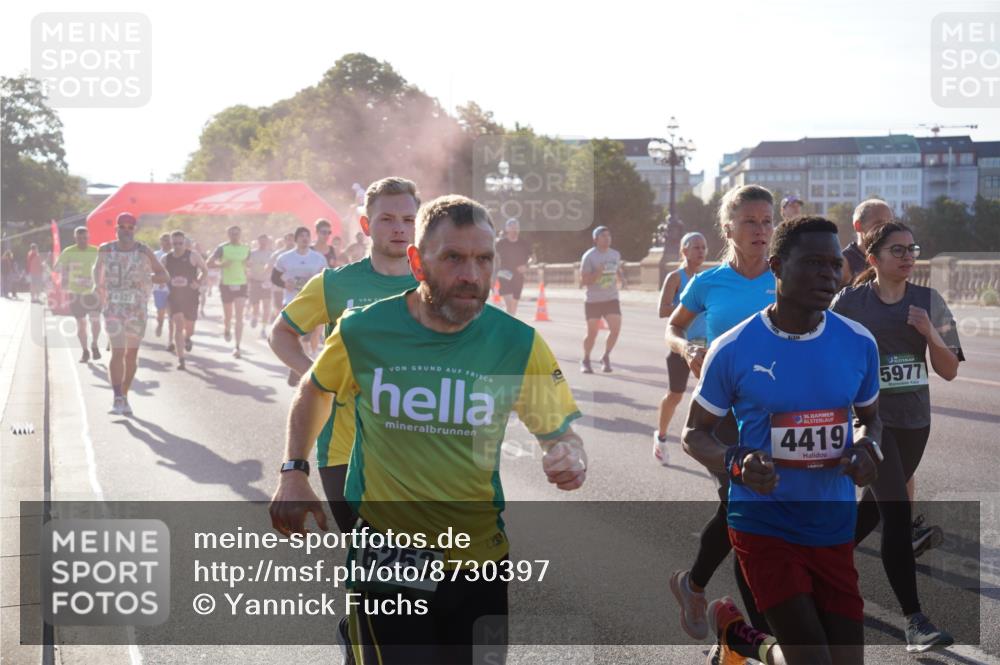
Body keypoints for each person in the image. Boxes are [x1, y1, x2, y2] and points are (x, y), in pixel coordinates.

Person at [269, 194, 586, 664]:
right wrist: (294, 469)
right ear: (417, 261)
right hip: (390, 556)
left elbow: (561, 433)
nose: (472, 276)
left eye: (483, 259)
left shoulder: (516, 343)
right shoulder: (364, 331)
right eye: (454, 258)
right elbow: (315, 390)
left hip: (480, 559)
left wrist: (570, 455)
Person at [686, 216, 883, 665]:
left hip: (833, 527)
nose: (828, 275)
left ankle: (740, 638)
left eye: (835, 265)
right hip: (764, 524)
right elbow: (694, 433)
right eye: (813, 262)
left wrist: (869, 447)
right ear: (776, 265)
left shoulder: (858, 343)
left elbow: (872, 419)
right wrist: (736, 463)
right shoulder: (734, 347)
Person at [832, 221, 961, 653]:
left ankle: (821, 566)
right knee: (897, 512)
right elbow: (825, 351)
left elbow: (949, 369)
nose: (908, 257)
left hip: (915, 423)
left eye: (912, 249)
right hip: (872, 424)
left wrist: (929, 333)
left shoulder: (928, 301)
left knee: (871, 512)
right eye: (897, 250)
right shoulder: (850, 303)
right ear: (873, 258)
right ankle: (915, 621)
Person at [269, 176, 419, 534]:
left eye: (408, 220)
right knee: (378, 568)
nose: (399, 228)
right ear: (366, 225)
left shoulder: (435, 284)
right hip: (345, 451)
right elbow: (281, 334)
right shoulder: (334, 283)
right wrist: (315, 378)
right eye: (387, 219)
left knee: (425, 573)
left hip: (421, 449)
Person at [665, 184, 777, 638]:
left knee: (753, 506)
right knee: (740, 501)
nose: (761, 230)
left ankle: (693, 584)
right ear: (728, 227)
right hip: (719, 410)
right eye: (750, 221)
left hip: (774, 409)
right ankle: (757, 633)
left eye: (768, 221)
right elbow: (673, 326)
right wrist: (686, 346)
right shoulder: (708, 282)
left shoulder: (785, 276)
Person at [92, 212, 168, 416]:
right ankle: (117, 397)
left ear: (134, 230)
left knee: (131, 354)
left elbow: (164, 275)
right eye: (122, 227)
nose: (126, 231)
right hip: (114, 308)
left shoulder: (143, 250)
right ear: (116, 229)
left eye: (130, 227)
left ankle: (124, 395)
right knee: (117, 351)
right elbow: (97, 275)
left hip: (136, 309)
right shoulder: (105, 249)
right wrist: (98, 293)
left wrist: (146, 276)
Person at [653, 231, 708, 465]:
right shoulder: (676, 278)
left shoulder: (707, 279)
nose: (701, 251)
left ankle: (709, 441)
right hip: (681, 346)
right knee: (675, 396)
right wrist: (688, 305)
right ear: (684, 251)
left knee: (713, 394)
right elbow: (662, 310)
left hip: (706, 346)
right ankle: (661, 436)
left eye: (703, 247)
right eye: (695, 247)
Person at [270, 226, 326, 383]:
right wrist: (284, 284)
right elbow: (274, 277)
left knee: (305, 337)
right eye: (301, 236)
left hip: (311, 302)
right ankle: (299, 369)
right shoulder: (285, 258)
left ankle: (298, 369)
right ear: (295, 239)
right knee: (295, 335)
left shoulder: (318, 258)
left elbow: (326, 278)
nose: (305, 238)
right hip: (291, 301)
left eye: (307, 236)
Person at [580, 225, 627, 373]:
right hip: (593, 300)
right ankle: (586, 359)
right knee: (592, 333)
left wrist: (622, 278)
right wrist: (597, 273)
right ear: (596, 239)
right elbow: (584, 281)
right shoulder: (589, 256)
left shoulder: (615, 254)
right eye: (603, 236)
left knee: (615, 329)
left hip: (611, 298)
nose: (607, 239)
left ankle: (606, 356)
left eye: (609, 236)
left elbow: (617, 268)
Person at [54, 226, 102, 362]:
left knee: (95, 320)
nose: (82, 240)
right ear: (75, 238)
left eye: (85, 238)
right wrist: (73, 275)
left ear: (89, 237)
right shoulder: (68, 251)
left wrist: (99, 282)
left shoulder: (96, 251)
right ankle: (85, 351)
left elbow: (104, 268)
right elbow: (56, 268)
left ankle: (94, 344)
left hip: (93, 292)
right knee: (81, 324)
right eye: (79, 238)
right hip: (76, 293)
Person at [163, 230, 207, 370]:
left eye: (180, 243)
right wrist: (161, 281)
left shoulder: (193, 255)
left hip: (191, 297)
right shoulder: (166, 258)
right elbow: (158, 272)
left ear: (184, 242)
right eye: (174, 243)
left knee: (190, 328)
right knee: (178, 325)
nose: (177, 246)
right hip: (174, 297)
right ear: (171, 243)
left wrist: (198, 282)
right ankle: (181, 359)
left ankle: (188, 338)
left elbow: (204, 270)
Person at [207, 225, 251, 358]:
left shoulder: (246, 249)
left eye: (237, 233)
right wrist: (221, 265)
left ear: (240, 234)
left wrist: (248, 268)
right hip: (226, 284)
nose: (234, 236)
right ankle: (226, 328)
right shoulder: (222, 248)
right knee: (228, 316)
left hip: (241, 284)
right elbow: (208, 263)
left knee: (239, 316)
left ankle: (237, 347)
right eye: (232, 233)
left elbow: (248, 264)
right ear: (228, 235)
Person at [841, 198, 893, 287]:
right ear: (858, 226)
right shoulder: (844, 262)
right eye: (879, 223)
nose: (886, 228)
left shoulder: (892, 257)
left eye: (890, 223)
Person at [495, 217, 531, 316]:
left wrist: (526, 266)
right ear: (507, 229)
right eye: (511, 228)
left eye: (516, 227)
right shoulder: (500, 244)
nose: (514, 230)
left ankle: (508, 325)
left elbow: (533, 258)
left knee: (513, 308)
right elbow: (493, 257)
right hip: (504, 275)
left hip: (518, 277)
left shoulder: (523, 243)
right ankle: (508, 328)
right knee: (509, 303)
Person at [246, 234, 273, 336]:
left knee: (266, 306)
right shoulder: (252, 253)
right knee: (256, 305)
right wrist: (248, 271)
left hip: (266, 282)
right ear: (258, 241)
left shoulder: (271, 254)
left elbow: (275, 267)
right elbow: (246, 264)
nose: (263, 243)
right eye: (261, 241)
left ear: (267, 242)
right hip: (254, 281)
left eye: (265, 241)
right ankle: (255, 316)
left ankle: (263, 328)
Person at [268, 232, 295, 320]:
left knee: (292, 312)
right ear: (284, 240)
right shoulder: (277, 254)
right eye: (288, 239)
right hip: (279, 287)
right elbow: (270, 268)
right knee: (279, 311)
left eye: (292, 239)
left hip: (294, 288)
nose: (290, 241)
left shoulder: (299, 254)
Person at [153, 233, 173, 344]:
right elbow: (152, 269)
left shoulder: (175, 254)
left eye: (168, 240)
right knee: (161, 313)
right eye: (164, 240)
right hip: (159, 289)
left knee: (172, 317)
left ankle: (171, 341)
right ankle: (160, 324)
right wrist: (159, 280)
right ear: (160, 242)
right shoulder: (156, 254)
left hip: (173, 289)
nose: (167, 242)